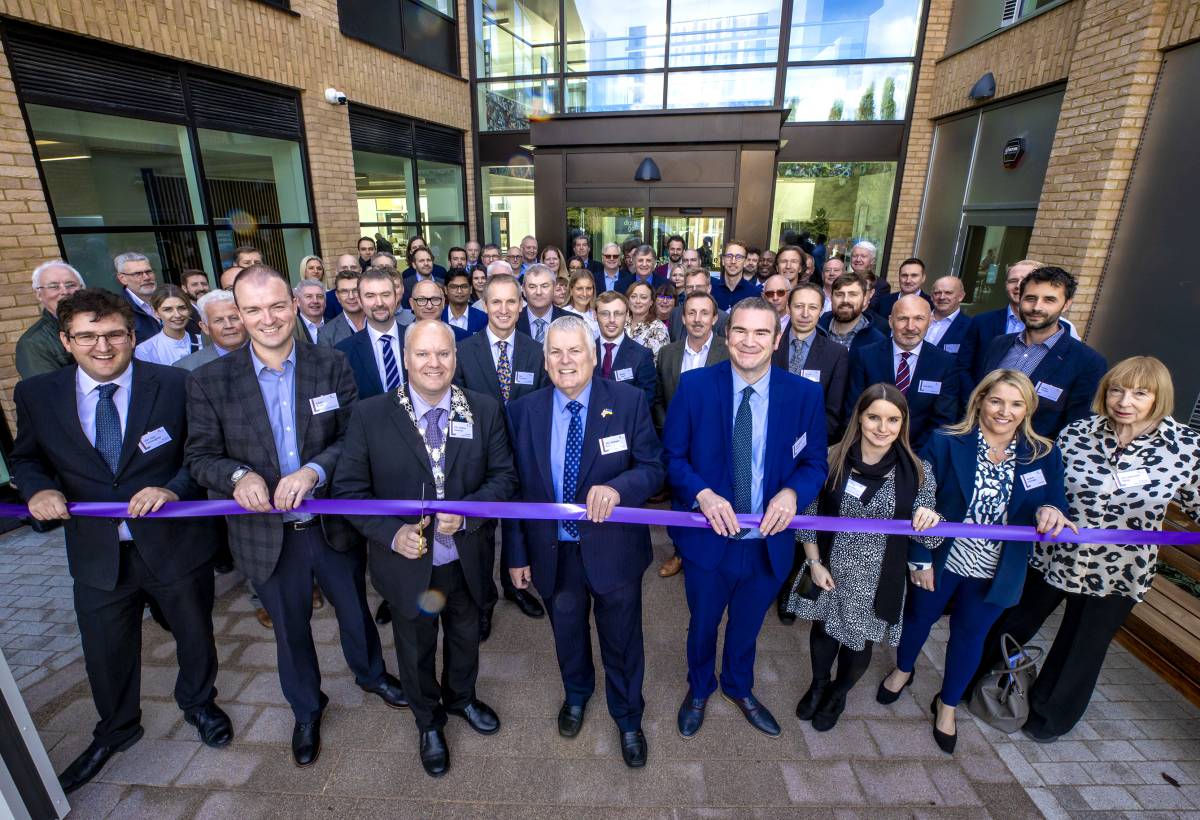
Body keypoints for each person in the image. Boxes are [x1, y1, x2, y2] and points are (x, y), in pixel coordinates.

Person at [185, 265, 406, 767]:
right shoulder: (208, 382)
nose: (269, 318)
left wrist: (311, 472)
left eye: (277, 305)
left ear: (295, 305)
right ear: (238, 315)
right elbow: (199, 457)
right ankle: (306, 708)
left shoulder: (330, 364)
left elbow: (353, 437)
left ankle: (371, 675)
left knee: (355, 610)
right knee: (290, 629)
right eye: (254, 309)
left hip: (331, 525)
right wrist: (240, 476)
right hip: (264, 535)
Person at [12, 288, 231, 793]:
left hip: (175, 545)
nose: (103, 346)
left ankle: (199, 702)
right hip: (97, 552)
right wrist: (38, 488)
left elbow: (198, 455)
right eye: (87, 336)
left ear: (133, 336)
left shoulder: (175, 384)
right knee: (105, 651)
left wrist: (171, 489)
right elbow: (26, 458)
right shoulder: (38, 394)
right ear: (66, 341)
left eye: (113, 334)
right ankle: (116, 729)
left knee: (195, 633)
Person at [972, 357, 1200, 743]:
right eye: (1117, 390)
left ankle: (1047, 718)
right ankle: (977, 685)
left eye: (1139, 393)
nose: (1124, 401)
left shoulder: (1184, 447)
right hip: (1053, 556)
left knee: (1081, 646)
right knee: (1014, 623)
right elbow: (1049, 485)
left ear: (1158, 397)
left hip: (1118, 570)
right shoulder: (1079, 432)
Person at [333, 319, 516, 777]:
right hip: (407, 564)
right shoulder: (371, 415)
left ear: (455, 357)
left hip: (465, 558)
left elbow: (505, 479)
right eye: (423, 354)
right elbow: (350, 492)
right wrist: (391, 533)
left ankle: (462, 699)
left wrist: (470, 511)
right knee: (415, 647)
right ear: (406, 358)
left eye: (443, 354)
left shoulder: (484, 409)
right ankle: (428, 720)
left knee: (465, 635)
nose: (434, 363)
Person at [878, 369, 1073, 754]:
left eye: (1016, 403)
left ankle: (947, 704)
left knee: (970, 636)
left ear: (1028, 408)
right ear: (980, 399)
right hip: (943, 559)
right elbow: (921, 501)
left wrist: (1052, 509)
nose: (1005, 411)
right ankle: (903, 670)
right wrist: (919, 559)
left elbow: (1056, 501)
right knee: (918, 619)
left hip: (998, 569)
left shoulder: (1043, 454)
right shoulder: (947, 442)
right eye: (997, 400)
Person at [664, 297, 828, 738]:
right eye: (740, 331)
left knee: (748, 626)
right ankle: (699, 687)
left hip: (767, 544)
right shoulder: (695, 386)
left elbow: (815, 463)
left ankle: (738, 686)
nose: (749, 342)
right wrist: (702, 493)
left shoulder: (804, 395)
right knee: (702, 624)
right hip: (707, 542)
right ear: (726, 335)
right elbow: (673, 458)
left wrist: (793, 493)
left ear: (777, 340)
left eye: (761, 333)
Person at [506, 315, 665, 768]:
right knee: (567, 632)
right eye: (555, 352)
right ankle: (576, 693)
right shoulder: (523, 410)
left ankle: (628, 716)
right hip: (553, 551)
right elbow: (516, 489)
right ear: (545, 359)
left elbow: (653, 467)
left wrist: (620, 489)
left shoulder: (629, 402)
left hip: (613, 550)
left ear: (594, 355)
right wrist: (516, 555)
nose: (565, 360)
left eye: (575, 350)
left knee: (622, 639)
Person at [787, 384, 941, 731]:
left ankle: (839, 694)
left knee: (860, 644)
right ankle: (819, 684)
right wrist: (814, 563)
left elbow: (929, 535)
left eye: (892, 419)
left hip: (878, 578)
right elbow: (808, 516)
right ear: (860, 417)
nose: (882, 427)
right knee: (824, 633)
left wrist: (932, 519)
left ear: (903, 424)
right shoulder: (830, 458)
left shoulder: (919, 472)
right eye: (874, 417)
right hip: (829, 568)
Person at [452, 272, 548, 631]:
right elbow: (458, 407)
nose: (504, 309)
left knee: (517, 523)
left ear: (522, 304)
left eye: (511, 301)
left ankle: (515, 586)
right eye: (496, 302)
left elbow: (542, 406)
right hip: (478, 460)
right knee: (478, 532)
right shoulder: (463, 351)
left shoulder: (537, 352)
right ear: (485, 305)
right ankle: (483, 598)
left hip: (524, 456)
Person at [976, 266, 1107, 439]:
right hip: (978, 448)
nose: (1037, 307)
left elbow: (1078, 428)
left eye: (1049, 300)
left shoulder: (1088, 362)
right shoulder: (999, 344)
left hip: (1034, 458)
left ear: (1066, 304)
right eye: (1030, 298)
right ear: (1020, 299)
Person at [653, 290, 728, 579]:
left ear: (714, 319)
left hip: (717, 444)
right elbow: (659, 398)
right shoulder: (668, 353)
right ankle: (679, 552)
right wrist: (672, 431)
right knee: (681, 498)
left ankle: (712, 550)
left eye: (704, 313)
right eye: (692, 313)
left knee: (716, 497)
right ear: (683, 318)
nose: (697, 319)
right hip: (678, 445)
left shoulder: (727, 351)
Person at [844, 295, 960, 450]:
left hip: (918, 454)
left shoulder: (945, 364)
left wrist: (913, 456)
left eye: (919, 318)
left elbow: (943, 420)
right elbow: (852, 410)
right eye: (903, 319)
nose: (911, 327)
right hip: (867, 449)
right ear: (891, 321)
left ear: (930, 322)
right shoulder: (866, 356)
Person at [967, 260, 1078, 377]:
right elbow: (966, 366)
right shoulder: (983, 322)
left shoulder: (1066, 328)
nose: (1018, 285)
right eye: (1013, 281)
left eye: (1025, 280)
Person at [771, 281, 848, 446]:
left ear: (821, 311)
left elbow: (833, 413)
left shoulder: (836, 354)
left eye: (812, 307)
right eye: (799, 306)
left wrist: (804, 443)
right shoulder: (769, 346)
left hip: (812, 443)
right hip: (767, 438)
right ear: (788, 308)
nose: (805, 314)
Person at [335, 267, 407, 400]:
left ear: (396, 297)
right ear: (360, 301)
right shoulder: (343, 352)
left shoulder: (416, 339)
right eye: (370, 296)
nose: (379, 303)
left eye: (385, 295)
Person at [16, 260, 83, 378]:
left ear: (82, 289)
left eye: (70, 285)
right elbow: (47, 391)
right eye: (53, 286)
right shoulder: (33, 343)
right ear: (39, 294)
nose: (64, 292)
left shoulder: (104, 323)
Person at [593, 291, 656, 408]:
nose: (612, 320)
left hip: (624, 424)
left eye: (618, 314)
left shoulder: (642, 356)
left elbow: (645, 403)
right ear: (595, 315)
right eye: (605, 314)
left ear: (627, 315)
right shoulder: (584, 352)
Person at [173, 290, 246, 372]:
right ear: (205, 328)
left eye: (234, 318)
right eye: (218, 320)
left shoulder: (262, 355)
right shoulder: (186, 368)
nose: (228, 325)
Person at [134, 285, 204, 366]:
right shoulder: (146, 350)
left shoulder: (203, 341)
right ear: (156, 312)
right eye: (168, 309)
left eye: (182, 308)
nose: (177, 315)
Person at [819, 273, 887, 354]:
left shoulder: (877, 341)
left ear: (865, 299)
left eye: (853, 295)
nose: (845, 300)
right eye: (839, 294)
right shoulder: (817, 329)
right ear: (831, 298)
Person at [113, 252, 162, 344]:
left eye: (149, 272)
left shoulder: (167, 299)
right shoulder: (118, 311)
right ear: (122, 278)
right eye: (137, 274)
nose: (146, 277)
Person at [668, 268, 729, 341]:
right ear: (685, 290)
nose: (694, 290)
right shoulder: (675, 314)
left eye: (699, 286)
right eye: (689, 287)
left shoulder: (723, 319)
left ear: (709, 288)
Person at [516, 264, 570, 340]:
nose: (538, 292)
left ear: (554, 288)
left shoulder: (571, 321)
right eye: (532, 287)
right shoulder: (513, 322)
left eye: (544, 286)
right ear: (524, 290)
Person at [317, 269, 366, 348]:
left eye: (355, 290)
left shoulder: (378, 320)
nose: (351, 296)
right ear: (337, 296)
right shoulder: (326, 333)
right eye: (344, 291)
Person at [925, 275, 973, 355]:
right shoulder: (917, 319)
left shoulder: (971, 327)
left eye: (948, 293)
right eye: (937, 293)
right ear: (932, 296)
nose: (942, 297)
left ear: (961, 296)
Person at [624, 280, 669, 361]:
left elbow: (660, 362)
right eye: (633, 296)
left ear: (651, 302)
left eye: (643, 297)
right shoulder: (622, 323)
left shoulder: (658, 329)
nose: (637, 301)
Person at [710, 240, 762, 311]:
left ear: (745, 262)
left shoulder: (754, 293)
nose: (733, 261)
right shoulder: (710, 288)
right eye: (729, 256)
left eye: (739, 257)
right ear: (723, 261)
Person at [441, 268, 487, 340]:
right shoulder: (438, 317)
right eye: (454, 287)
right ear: (446, 290)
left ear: (471, 289)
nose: (459, 291)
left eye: (464, 286)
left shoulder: (483, 318)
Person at [565, 269, 600, 338]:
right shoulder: (563, 314)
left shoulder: (597, 314)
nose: (584, 294)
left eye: (588, 288)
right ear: (571, 291)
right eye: (579, 288)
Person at [293, 279, 326, 344]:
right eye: (309, 296)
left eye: (319, 296)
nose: (315, 301)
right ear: (298, 302)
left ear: (325, 302)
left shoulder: (336, 326)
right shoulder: (291, 328)